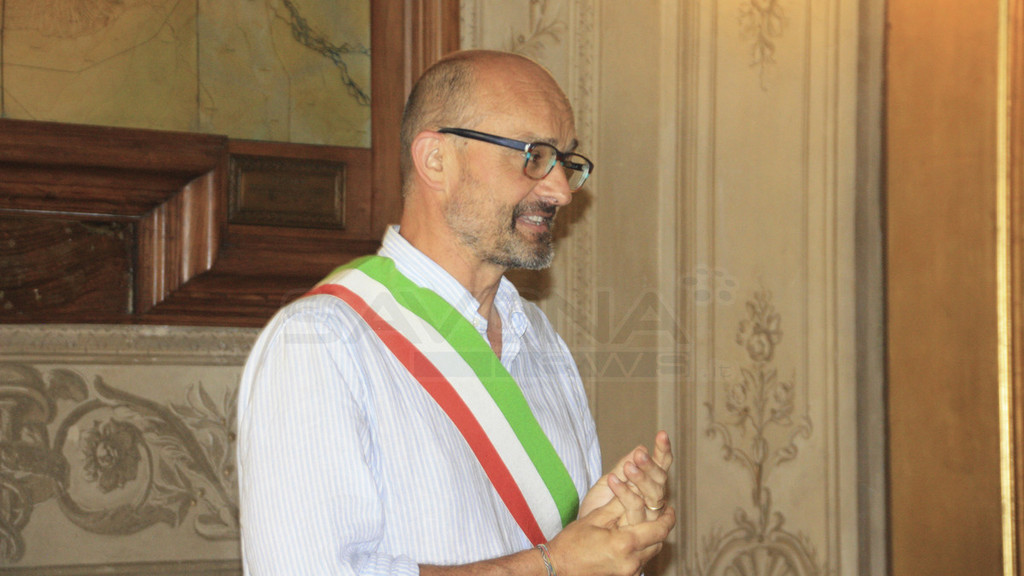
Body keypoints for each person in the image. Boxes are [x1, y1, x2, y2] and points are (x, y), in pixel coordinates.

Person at [236, 49, 675, 576]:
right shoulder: (320, 341)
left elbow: (558, 554)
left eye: (566, 161)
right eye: (534, 155)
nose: (560, 190)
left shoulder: (538, 337)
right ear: (436, 160)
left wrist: (603, 533)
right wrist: (551, 565)